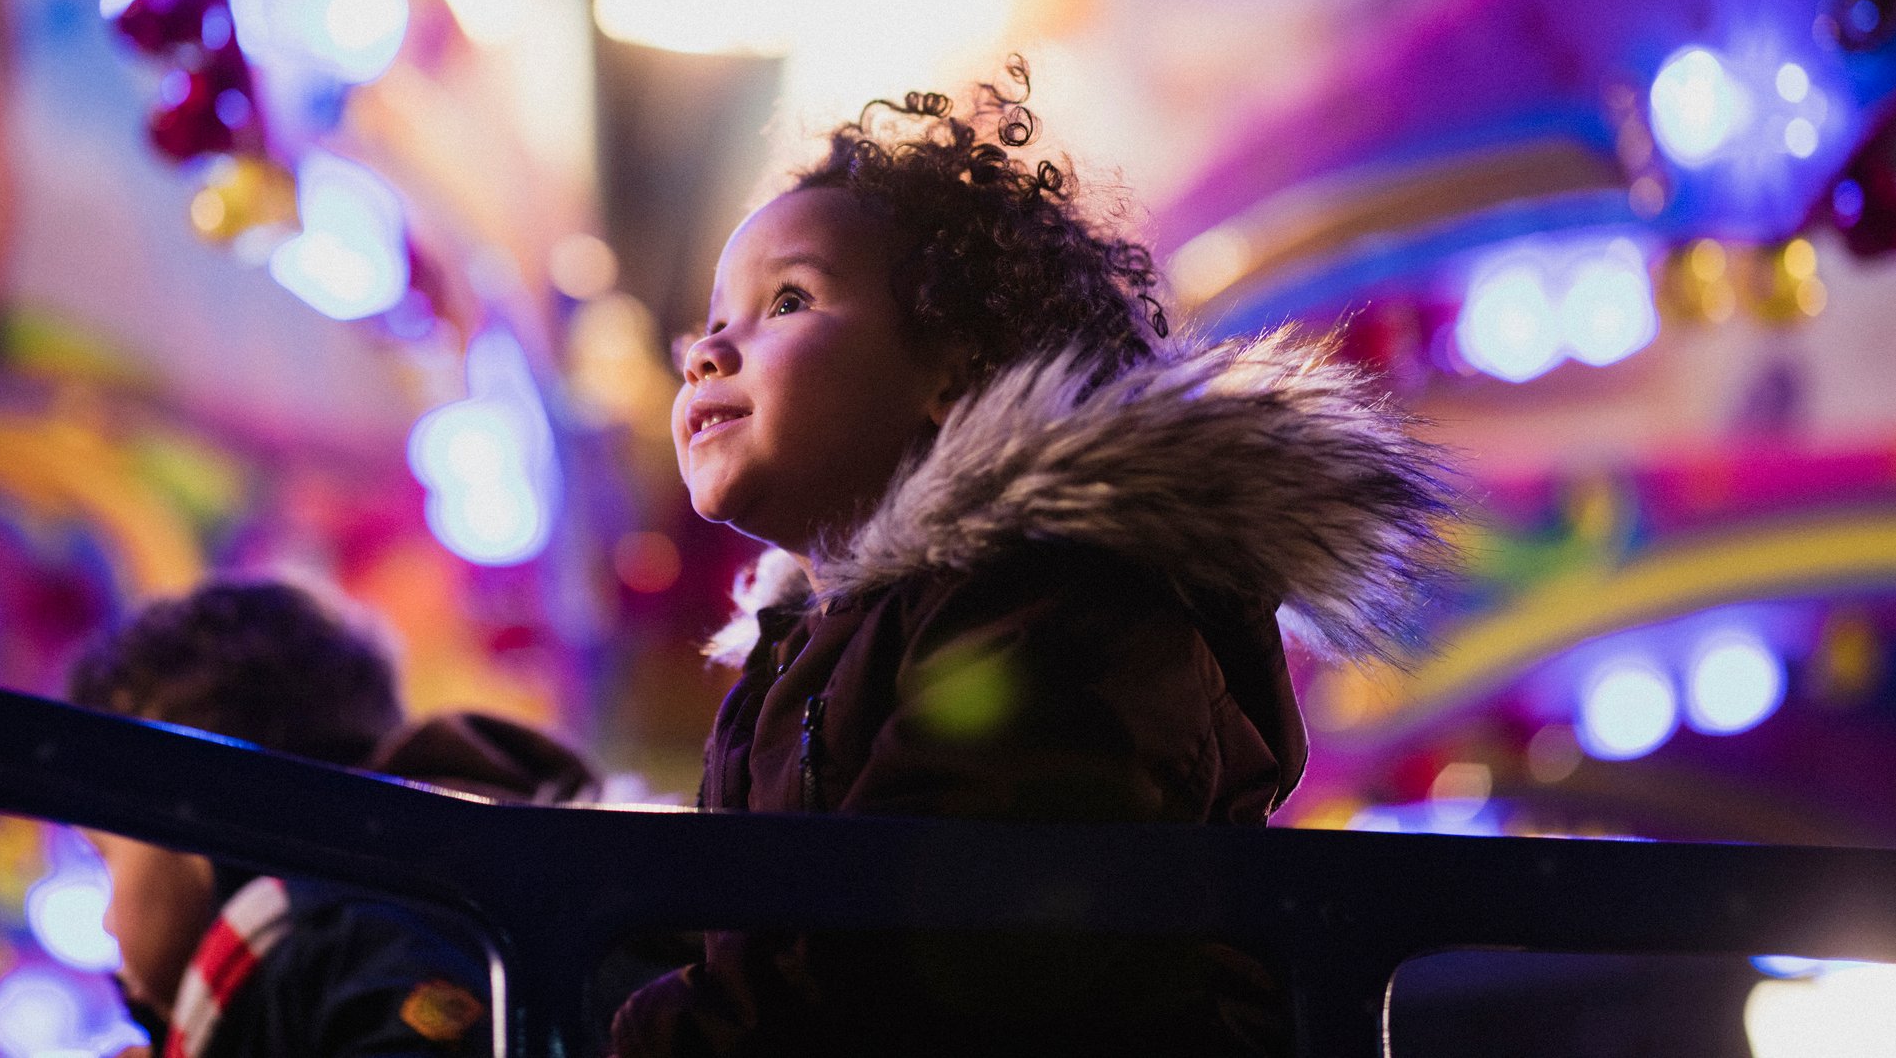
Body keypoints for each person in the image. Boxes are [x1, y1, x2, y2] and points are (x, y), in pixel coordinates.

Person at [611, 61, 1452, 1057]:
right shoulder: (791, 660)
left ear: (948, 365)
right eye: (708, 328)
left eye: (786, 302)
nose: (710, 351)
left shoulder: (1056, 604)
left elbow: (933, 949)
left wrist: (639, 1029)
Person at [68, 580, 600, 1058]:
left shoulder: (348, 939)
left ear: (189, 814)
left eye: (103, 858)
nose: (106, 923)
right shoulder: (406, 915)